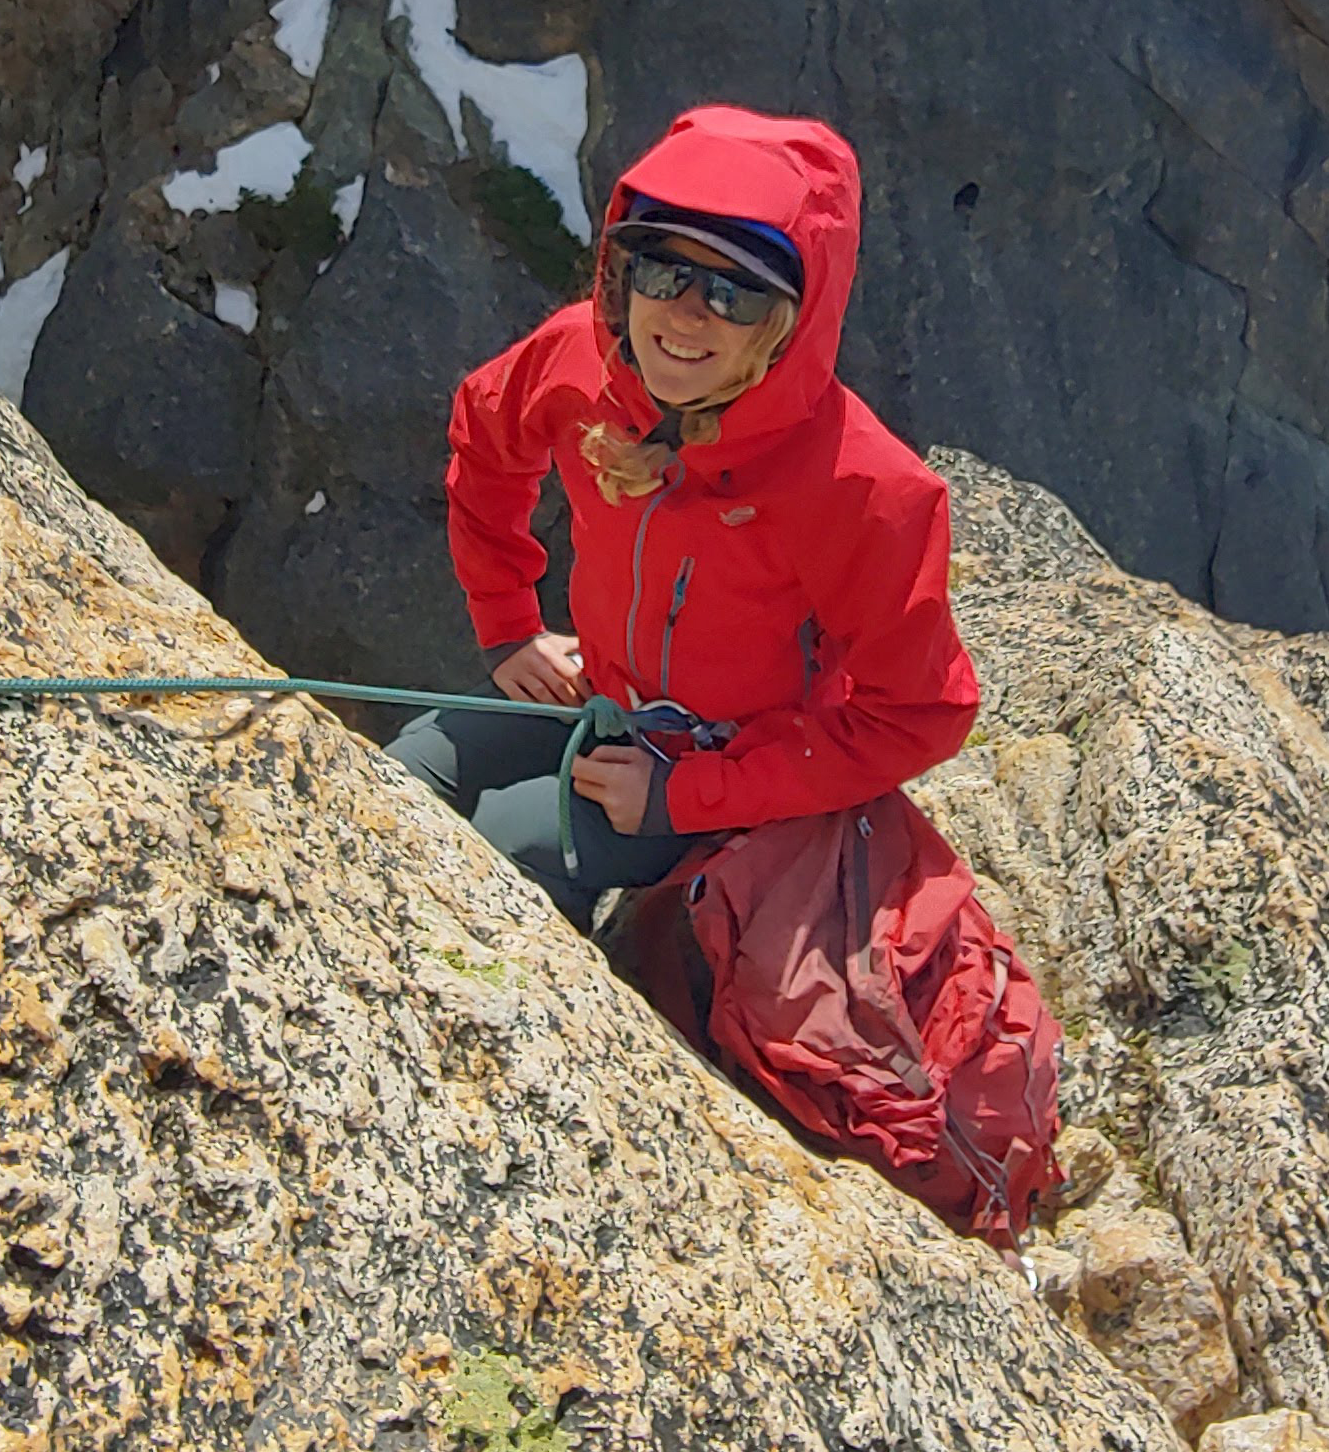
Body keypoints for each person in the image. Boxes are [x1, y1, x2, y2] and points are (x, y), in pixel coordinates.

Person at [388, 104, 980, 930]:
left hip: (729, 768)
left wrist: (689, 794)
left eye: (735, 293)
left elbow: (917, 714)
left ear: (786, 328)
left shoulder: (863, 489)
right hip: (599, 692)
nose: (687, 313)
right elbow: (486, 441)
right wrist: (507, 624)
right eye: (664, 273)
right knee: (402, 772)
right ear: (622, 276)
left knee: (503, 853)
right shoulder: (576, 360)